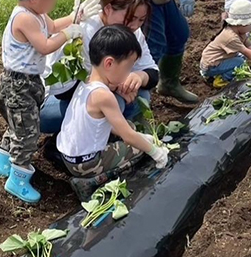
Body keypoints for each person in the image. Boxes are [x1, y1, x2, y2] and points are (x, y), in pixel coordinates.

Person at [0, 0, 101, 204]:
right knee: (28, 133)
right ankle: (17, 179)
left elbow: (51, 26)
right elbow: (45, 44)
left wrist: (75, 17)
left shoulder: (37, 14)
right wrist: (68, 34)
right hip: (17, 86)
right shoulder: (25, 19)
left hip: (27, 84)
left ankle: (2, 163)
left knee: (19, 124)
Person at [57, 25, 170, 200]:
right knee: (138, 149)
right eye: (128, 67)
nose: (128, 73)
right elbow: (128, 137)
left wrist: (137, 134)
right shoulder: (103, 96)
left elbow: (109, 125)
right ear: (109, 63)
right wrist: (155, 151)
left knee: (132, 128)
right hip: (86, 163)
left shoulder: (85, 81)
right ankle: (91, 181)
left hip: (69, 156)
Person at [40, 0, 159, 133]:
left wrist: (138, 77)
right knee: (113, 103)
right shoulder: (86, 30)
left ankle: (101, 136)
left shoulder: (132, 33)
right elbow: (68, 91)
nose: (135, 25)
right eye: (130, 18)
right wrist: (117, 86)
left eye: (141, 20)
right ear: (108, 9)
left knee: (141, 94)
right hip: (48, 104)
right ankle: (70, 144)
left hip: (88, 98)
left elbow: (152, 71)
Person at [200, 0, 251, 86]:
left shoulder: (239, 32)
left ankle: (219, 73)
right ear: (242, 24)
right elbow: (247, 52)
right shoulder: (231, 37)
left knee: (241, 58)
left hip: (219, 60)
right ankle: (220, 80)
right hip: (210, 66)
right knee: (240, 61)